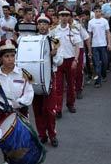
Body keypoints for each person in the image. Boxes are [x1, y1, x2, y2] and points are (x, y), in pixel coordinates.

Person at [0, 39, 34, 121]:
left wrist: (18, 103)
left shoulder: (23, 74)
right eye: (6, 56)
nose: (10, 59)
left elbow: (29, 93)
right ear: (0, 59)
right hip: (3, 115)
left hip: (21, 113)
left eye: (12, 55)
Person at [32, 13, 62, 147]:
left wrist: (54, 56)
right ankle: (42, 134)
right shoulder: (31, 40)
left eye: (45, 23)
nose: (42, 26)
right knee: (37, 109)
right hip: (35, 78)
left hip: (50, 77)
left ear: (49, 25)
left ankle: (52, 134)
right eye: (40, 23)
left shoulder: (54, 40)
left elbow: (60, 61)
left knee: (49, 110)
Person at [50, 9, 81, 117]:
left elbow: (77, 46)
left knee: (71, 84)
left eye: (66, 15)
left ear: (69, 17)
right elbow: (50, 45)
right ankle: (58, 108)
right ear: (59, 17)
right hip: (58, 61)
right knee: (58, 86)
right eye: (62, 15)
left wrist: (76, 60)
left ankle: (70, 104)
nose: (64, 17)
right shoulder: (53, 30)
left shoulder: (74, 30)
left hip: (70, 60)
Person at [88, 5, 111, 88]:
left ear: (101, 12)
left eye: (99, 11)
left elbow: (108, 33)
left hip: (103, 45)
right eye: (96, 11)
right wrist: (89, 48)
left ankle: (103, 74)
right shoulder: (91, 22)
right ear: (94, 12)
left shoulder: (104, 21)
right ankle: (98, 81)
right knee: (97, 64)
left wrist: (109, 44)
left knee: (105, 62)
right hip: (94, 46)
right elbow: (89, 35)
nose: (98, 13)